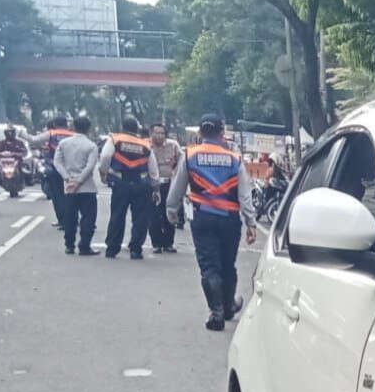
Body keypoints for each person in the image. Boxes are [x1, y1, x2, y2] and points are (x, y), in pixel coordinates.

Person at [164, 114, 257, 331]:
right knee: (227, 264)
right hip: (230, 220)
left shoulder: (190, 155)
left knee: (209, 266)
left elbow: (177, 187)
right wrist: (251, 222)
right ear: (222, 133)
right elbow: (245, 195)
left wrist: (171, 210)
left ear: (200, 133)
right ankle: (228, 306)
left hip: (203, 218)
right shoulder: (235, 158)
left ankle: (216, 313)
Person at [98, 116, 160, 260]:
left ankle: (112, 249)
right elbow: (153, 167)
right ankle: (136, 249)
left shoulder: (115, 139)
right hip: (141, 183)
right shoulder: (145, 143)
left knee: (117, 215)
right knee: (140, 218)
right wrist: (155, 187)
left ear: (123, 127)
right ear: (136, 128)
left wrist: (104, 174)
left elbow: (105, 157)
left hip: (121, 183)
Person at [54, 115, 103, 255]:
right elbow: (90, 166)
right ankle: (84, 246)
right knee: (88, 217)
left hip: (69, 187)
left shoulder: (64, 143)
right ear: (88, 128)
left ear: (73, 127)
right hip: (87, 187)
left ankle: (69, 245)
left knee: (70, 217)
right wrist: (79, 181)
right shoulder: (91, 145)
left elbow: (57, 162)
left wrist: (67, 178)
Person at [147, 122, 182, 253]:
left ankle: (168, 243)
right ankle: (156, 243)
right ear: (151, 134)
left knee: (170, 213)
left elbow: (182, 161)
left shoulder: (173, 145)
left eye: (162, 133)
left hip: (169, 184)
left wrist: (176, 173)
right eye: (157, 133)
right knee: (153, 215)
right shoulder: (147, 146)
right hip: (153, 186)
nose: (160, 136)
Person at [39, 114, 74, 229]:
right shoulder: (73, 135)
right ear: (67, 124)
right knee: (71, 196)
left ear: (54, 124)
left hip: (54, 170)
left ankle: (63, 220)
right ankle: (71, 220)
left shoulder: (50, 135)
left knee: (57, 196)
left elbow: (41, 147)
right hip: (71, 170)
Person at [0, 125, 28, 198]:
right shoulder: (1, 143)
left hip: (16, 162)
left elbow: (25, 152)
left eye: (11, 132)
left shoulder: (19, 143)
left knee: (24, 170)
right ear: (5, 133)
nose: (10, 134)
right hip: (4, 162)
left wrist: (17, 154)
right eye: (8, 133)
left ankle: (22, 182)